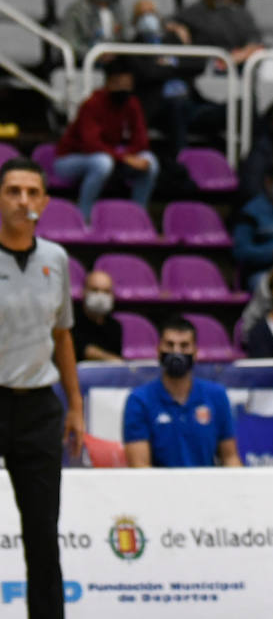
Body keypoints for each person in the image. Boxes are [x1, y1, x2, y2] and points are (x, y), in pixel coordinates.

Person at [0, 158, 83, 619]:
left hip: (38, 408)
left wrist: (74, 406)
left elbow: (63, 336)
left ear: (45, 202)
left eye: (32, 192)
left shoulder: (56, 259)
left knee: (42, 534)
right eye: (13, 190)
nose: (23, 200)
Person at [123, 315, 241, 467]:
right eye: (169, 345)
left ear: (196, 352)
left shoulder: (217, 396)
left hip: (207, 487)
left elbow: (230, 458)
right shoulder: (139, 400)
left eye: (184, 346)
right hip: (159, 488)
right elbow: (140, 467)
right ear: (158, 350)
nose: (176, 352)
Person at [54, 57, 160, 221]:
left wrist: (129, 156)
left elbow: (141, 141)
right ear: (108, 83)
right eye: (118, 83)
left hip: (111, 157)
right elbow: (91, 144)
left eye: (127, 84)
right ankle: (83, 218)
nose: (123, 89)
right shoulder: (92, 104)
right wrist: (124, 157)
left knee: (150, 162)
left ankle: (138, 217)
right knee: (102, 162)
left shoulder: (131, 103)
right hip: (70, 160)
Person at [128, 0, 205, 160]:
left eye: (151, 13)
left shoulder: (173, 39)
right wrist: (177, 65)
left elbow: (198, 64)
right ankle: (183, 164)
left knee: (236, 107)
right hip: (158, 108)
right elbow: (149, 73)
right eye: (142, 15)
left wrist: (183, 48)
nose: (148, 18)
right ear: (134, 22)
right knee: (177, 107)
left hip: (189, 103)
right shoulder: (133, 45)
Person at [232, 158, 273, 289]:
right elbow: (240, 252)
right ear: (269, 182)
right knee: (269, 285)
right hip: (264, 272)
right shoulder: (251, 212)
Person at [71, 268, 123, 363]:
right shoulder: (71, 323)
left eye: (106, 292)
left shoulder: (115, 326)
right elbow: (85, 351)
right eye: (95, 290)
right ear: (83, 292)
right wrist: (112, 359)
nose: (100, 296)